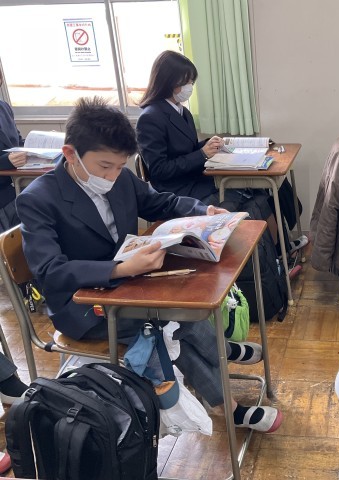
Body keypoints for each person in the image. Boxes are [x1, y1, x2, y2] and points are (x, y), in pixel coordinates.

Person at [16, 97, 282, 433]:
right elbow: (50, 271)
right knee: (169, 321)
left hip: (129, 284)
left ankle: (217, 349)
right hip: (82, 304)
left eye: (119, 166)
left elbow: (160, 201)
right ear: (70, 154)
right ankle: (225, 403)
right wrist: (119, 270)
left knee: (184, 302)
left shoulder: (120, 178)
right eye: (104, 167)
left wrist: (203, 211)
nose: (112, 176)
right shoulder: (38, 199)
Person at [136, 51, 274, 226]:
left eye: (191, 81)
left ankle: (281, 243)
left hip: (195, 180)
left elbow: (188, 148)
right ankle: (253, 241)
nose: (189, 87)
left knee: (260, 194)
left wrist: (209, 144)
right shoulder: (150, 118)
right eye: (186, 81)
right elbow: (159, 170)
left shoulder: (182, 111)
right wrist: (202, 154)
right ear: (169, 81)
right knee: (248, 198)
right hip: (178, 191)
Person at [0, 70, 26, 230]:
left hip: (17, 188)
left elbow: (18, 141)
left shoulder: (4, 107)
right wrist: (6, 161)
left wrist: (36, 146)